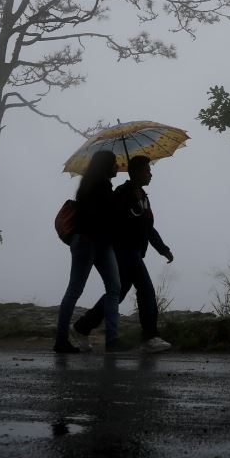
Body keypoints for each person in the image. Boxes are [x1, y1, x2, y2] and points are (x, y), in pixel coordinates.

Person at [71, 154, 175, 354]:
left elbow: (149, 228)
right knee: (145, 288)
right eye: (147, 170)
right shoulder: (121, 193)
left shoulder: (143, 197)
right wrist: (132, 207)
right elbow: (114, 222)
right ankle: (150, 336)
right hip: (124, 251)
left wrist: (163, 249)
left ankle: (82, 327)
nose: (150, 174)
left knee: (118, 294)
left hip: (136, 251)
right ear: (135, 172)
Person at [54, 149, 123, 353]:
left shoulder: (97, 186)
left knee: (114, 287)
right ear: (106, 166)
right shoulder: (98, 187)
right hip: (88, 242)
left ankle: (112, 339)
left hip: (100, 243)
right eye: (114, 163)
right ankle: (61, 340)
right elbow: (99, 218)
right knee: (77, 289)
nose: (118, 166)